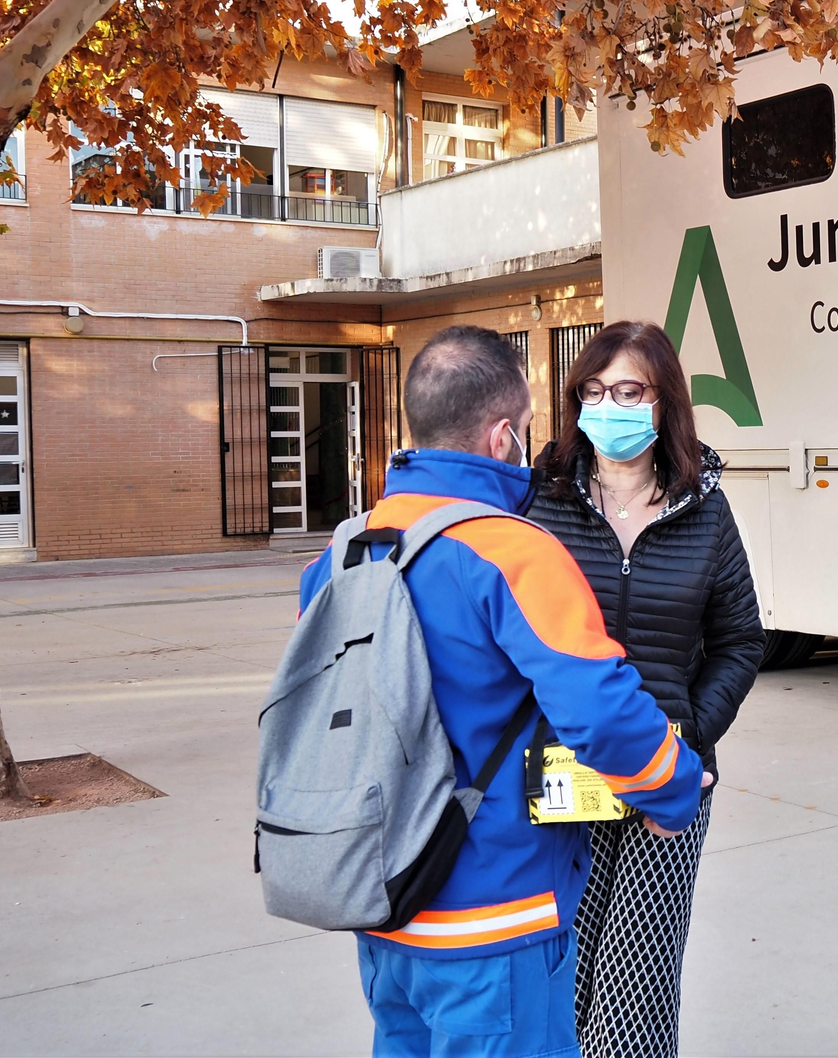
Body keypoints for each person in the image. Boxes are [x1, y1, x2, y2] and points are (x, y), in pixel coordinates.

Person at [298, 325, 706, 1058]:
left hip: (383, 905)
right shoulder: (514, 551)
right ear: (501, 437)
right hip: (495, 920)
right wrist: (673, 785)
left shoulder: (341, 552)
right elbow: (599, 708)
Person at [527, 321, 765, 1058]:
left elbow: (740, 640)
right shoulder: (544, 499)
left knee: (636, 992)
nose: (611, 406)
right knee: (564, 977)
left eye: (630, 391)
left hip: (668, 773)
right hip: (565, 771)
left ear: (664, 403)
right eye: (595, 391)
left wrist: (689, 735)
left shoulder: (704, 507)